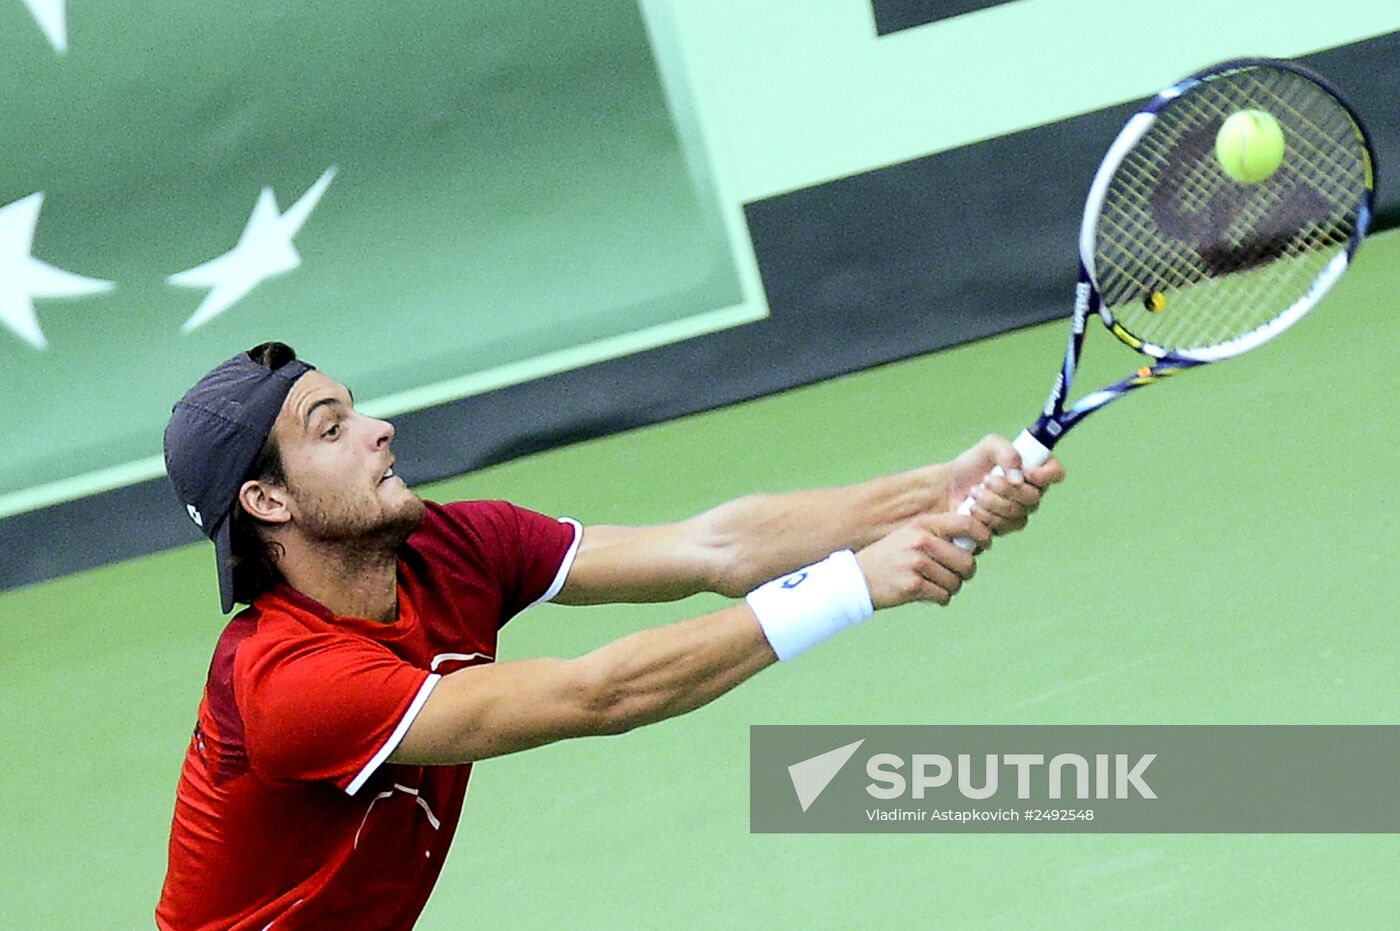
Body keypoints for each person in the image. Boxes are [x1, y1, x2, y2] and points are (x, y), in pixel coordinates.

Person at [155, 342, 1063, 929]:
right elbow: (598, 694)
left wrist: (931, 493)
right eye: (333, 429)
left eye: (355, 408)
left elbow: (712, 546)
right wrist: (851, 584)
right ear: (267, 500)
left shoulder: (453, 545)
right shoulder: (287, 685)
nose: (379, 429)